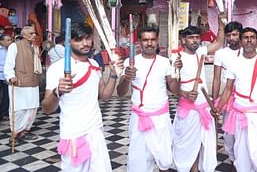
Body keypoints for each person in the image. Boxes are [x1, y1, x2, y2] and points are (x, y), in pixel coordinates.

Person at [42, 22, 122, 172]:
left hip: (95, 129)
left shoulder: (94, 64)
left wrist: (113, 74)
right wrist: (57, 92)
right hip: (74, 133)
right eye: (78, 39)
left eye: (87, 38)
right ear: (69, 42)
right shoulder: (57, 69)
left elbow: (104, 96)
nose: (85, 43)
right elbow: (47, 108)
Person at [116, 26, 181, 172]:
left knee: (164, 159)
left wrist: (178, 72)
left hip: (161, 117)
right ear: (139, 42)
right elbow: (120, 92)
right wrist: (126, 78)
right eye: (145, 40)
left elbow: (175, 90)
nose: (149, 43)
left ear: (157, 41)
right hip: (138, 117)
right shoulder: (130, 62)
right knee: (139, 160)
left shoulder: (165, 62)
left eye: (152, 39)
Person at [216, 27, 257, 171]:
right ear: (241, 40)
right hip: (241, 114)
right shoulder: (234, 62)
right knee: (242, 150)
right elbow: (228, 89)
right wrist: (218, 108)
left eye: (252, 37)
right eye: (246, 37)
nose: (249, 40)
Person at [172, 17, 225, 172]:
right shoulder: (176, 58)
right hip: (188, 110)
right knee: (186, 144)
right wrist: (185, 93)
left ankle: (195, 169)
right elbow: (171, 87)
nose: (195, 41)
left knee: (202, 143)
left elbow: (219, 43)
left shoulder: (200, 52)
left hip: (204, 107)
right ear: (183, 40)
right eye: (191, 38)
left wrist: (221, 24)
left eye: (197, 38)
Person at [211, 21, 243, 166]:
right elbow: (216, 79)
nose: (231, 38)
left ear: (240, 35)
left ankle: (243, 161)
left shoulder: (248, 51)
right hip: (227, 97)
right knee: (229, 133)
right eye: (229, 35)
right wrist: (214, 101)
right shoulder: (220, 54)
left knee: (243, 132)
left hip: (245, 97)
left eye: (235, 34)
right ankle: (233, 160)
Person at [4, 26, 42, 145]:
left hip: (33, 82)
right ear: (24, 35)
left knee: (32, 108)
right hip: (19, 84)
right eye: (31, 33)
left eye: (34, 33)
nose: (34, 35)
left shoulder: (35, 47)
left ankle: (25, 131)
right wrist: (11, 76)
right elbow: (8, 65)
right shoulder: (14, 46)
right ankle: (14, 134)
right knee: (18, 110)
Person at [0, 35, 12, 121]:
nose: (10, 42)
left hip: (6, 77)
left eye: (10, 40)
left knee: (6, 96)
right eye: (8, 40)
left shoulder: (11, 50)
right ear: (1, 41)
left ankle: (4, 113)